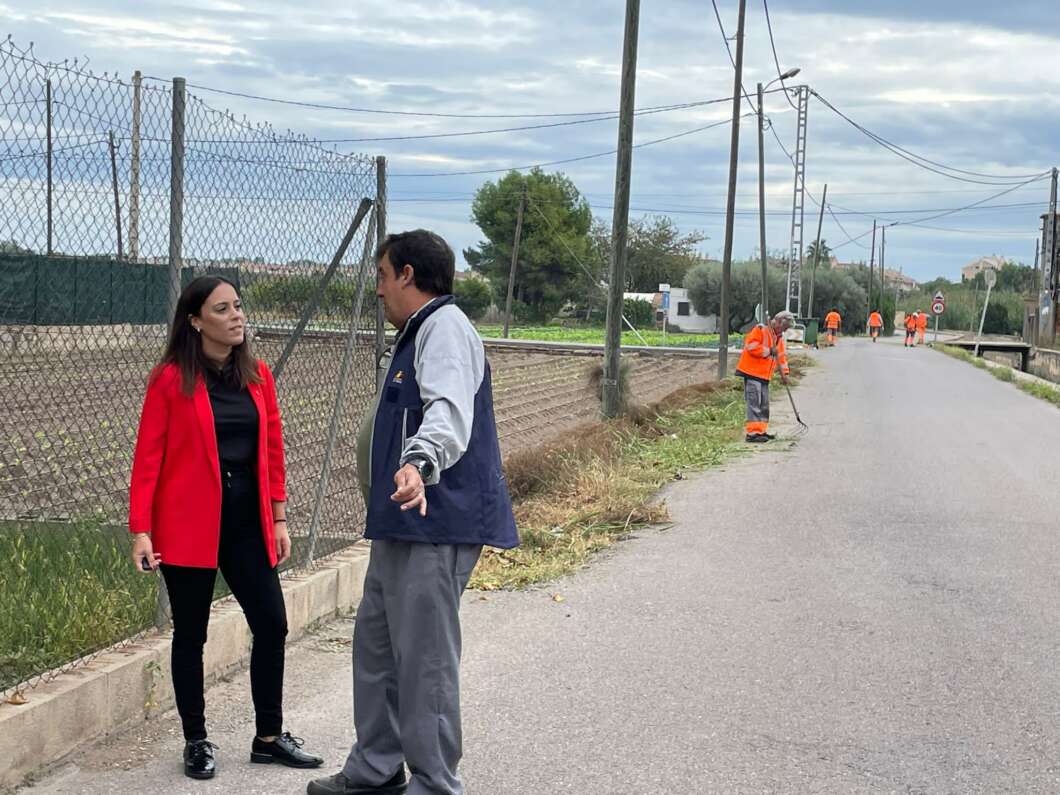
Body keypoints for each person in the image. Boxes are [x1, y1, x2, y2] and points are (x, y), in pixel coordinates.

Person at [309, 230, 519, 795]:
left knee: (424, 661)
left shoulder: (445, 329)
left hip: (435, 519)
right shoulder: (416, 333)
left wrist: (419, 462)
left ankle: (433, 783)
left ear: (407, 274)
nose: (377, 289)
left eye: (381, 275)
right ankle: (376, 768)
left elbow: (448, 411)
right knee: (377, 649)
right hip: (402, 519)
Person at [129, 276, 323, 781]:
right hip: (187, 527)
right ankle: (196, 740)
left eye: (238, 306)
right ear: (195, 321)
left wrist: (279, 517)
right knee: (190, 635)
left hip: (246, 525)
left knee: (272, 624)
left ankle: (269, 737)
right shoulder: (170, 379)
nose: (237, 316)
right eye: (223, 308)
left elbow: (273, 450)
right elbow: (148, 458)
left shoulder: (258, 375)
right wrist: (141, 530)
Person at [735, 310, 793, 443]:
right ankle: (752, 433)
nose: (784, 331)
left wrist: (785, 374)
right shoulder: (761, 329)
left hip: (764, 375)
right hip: (752, 373)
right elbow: (751, 346)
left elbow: (781, 357)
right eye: (784, 328)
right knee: (754, 403)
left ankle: (761, 431)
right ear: (778, 322)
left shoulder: (778, 337)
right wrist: (768, 351)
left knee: (764, 405)